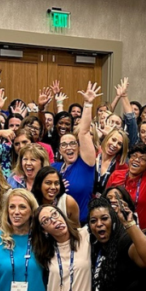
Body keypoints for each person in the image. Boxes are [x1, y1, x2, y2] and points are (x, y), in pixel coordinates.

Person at [0, 189, 46, 291]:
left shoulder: (42, 240)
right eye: (12, 207)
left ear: (32, 212)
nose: (16, 212)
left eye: (22, 207)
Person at [31, 205, 95, 291]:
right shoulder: (44, 251)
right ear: (44, 230)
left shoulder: (86, 236)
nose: (54, 220)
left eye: (55, 214)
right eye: (46, 220)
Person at [53, 83, 102, 224]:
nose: (69, 147)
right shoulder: (54, 168)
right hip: (56, 225)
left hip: (81, 226)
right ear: (60, 151)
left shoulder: (86, 164)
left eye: (73, 143)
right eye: (64, 145)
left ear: (79, 147)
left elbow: (84, 131)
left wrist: (87, 104)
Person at [94, 129, 129, 198]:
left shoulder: (122, 167)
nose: (114, 144)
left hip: (105, 205)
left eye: (119, 144)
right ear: (107, 138)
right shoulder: (92, 155)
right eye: (113, 140)